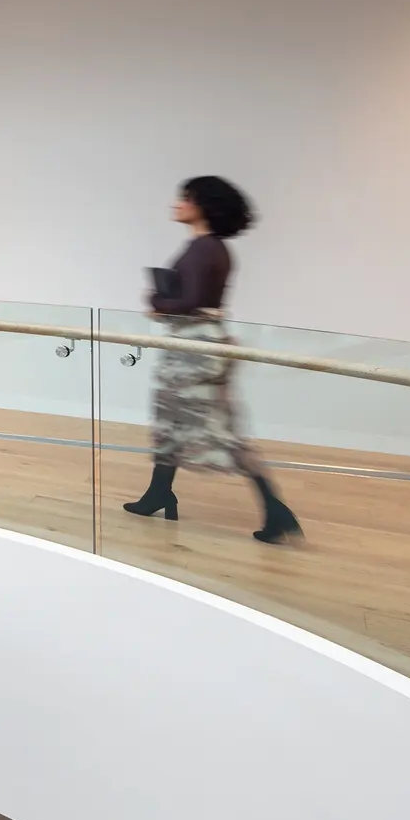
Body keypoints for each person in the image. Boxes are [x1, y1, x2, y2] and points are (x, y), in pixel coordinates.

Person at [123, 175, 302, 544]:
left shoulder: (206, 249)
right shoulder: (205, 247)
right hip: (189, 346)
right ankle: (158, 493)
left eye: (185, 198)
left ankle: (277, 509)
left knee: (220, 432)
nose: (177, 204)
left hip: (196, 350)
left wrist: (156, 301)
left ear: (202, 205)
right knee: (170, 420)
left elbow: (191, 303)